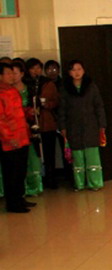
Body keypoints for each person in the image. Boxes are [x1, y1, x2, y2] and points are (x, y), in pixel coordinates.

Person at [57, 60, 106, 191]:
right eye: (73, 70)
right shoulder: (65, 89)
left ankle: (95, 183)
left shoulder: (91, 86)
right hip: (73, 127)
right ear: (69, 72)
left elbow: (99, 106)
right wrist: (62, 127)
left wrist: (102, 124)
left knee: (92, 154)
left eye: (79, 69)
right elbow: (62, 110)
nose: (77, 72)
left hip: (91, 125)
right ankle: (79, 183)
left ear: (84, 70)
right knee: (77, 156)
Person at [0, 62, 33, 212]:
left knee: (21, 170)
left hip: (22, 136)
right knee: (11, 172)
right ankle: (13, 203)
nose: (12, 76)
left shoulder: (13, 90)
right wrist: (9, 137)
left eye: (13, 73)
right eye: (8, 73)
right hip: (9, 140)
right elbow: (1, 120)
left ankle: (20, 198)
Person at [26, 58, 61, 189]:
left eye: (38, 68)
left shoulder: (48, 83)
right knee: (35, 153)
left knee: (49, 152)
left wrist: (47, 104)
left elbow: (56, 101)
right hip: (31, 123)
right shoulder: (25, 84)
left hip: (47, 122)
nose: (36, 71)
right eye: (33, 68)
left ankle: (51, 178)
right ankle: (36, 180)